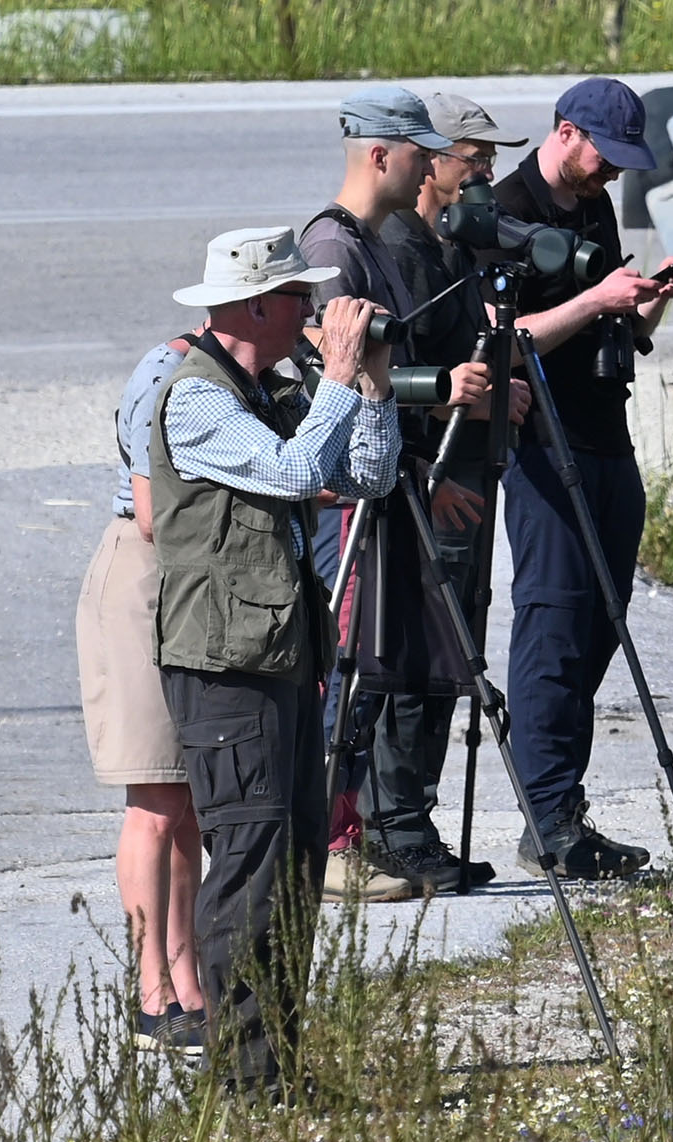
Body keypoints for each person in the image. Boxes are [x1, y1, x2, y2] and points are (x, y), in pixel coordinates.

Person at [150, 226, 400, 1090]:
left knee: (293, 868)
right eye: (300, 300)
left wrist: (367, 386)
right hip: (223, 667)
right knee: (251, 864)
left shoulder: (269, 391)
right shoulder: (197, 399)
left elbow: (364, 477)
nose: (313, 313)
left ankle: (278, 1066)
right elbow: (297, 477)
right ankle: (245, 1081)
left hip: (282, 654)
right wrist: (334, 376)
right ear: (256, 304)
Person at [488, 77, 673, 879]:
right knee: (553, 625)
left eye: (622, 163)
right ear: (567, 132)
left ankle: (562, 809)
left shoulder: (592, 206)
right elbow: (504, 341)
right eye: (604, 157)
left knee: (602, 622)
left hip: (605, 437)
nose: (612, 174)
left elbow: (609, 320)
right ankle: (548, 820)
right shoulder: (506, 210)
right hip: (545, 446)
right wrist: (595, 297)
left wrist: (649, 301)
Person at [299, 85, 496, 900]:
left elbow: (380, 377)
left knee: (376, 664)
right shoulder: (332, 247)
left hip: (385, 480)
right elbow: (332, 377)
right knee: (347, 667)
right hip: (349, 495)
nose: (426, 161)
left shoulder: (366, 242)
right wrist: (439, 391)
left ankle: (357, 832)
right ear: (381, 154)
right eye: (416, 147)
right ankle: (327, 841)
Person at [362, 90, 534, 891]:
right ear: (433, 161)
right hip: (423, 479)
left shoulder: (453, 245)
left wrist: (504, 386)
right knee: (419, 654)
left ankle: (414, 818)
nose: (486, 176)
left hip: (457, 471)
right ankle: (392, 824)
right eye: (475, 160)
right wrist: (431, 467)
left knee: (451, 651)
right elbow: (375, 376)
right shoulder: (394, 247)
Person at [75, 333, 209, 1054]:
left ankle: (187, 975)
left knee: (185, 797)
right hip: (144, 577)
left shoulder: (242, 373)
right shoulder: (170, 372)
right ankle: (150, 990)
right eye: (302, 306)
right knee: (154, 802)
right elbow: (156, 512)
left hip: (187, 581)